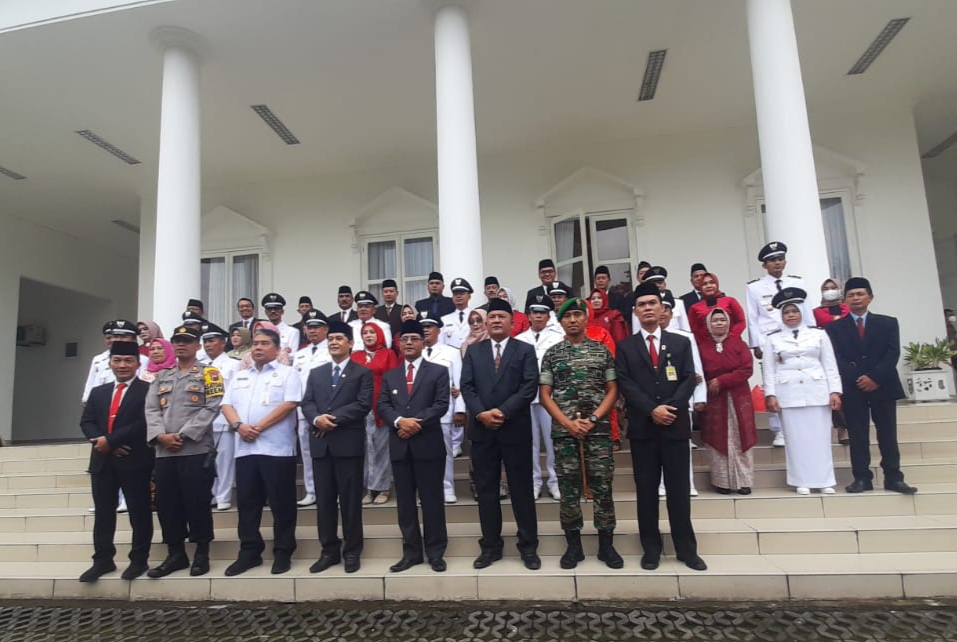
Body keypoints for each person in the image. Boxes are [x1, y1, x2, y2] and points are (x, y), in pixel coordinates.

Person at [615, 282, 706, 572]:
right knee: (646, 492)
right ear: (635, 311)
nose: (647, 309)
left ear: (663, 308)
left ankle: (687, 550)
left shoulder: (681, 342)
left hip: (674, 426)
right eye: (641, 305)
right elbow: (625, 382)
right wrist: (651, 409)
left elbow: (689, 378)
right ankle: (651, 549)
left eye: (652, 303)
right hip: (643, 428)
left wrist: (671, 408)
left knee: (679, 491)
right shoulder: (625, 347)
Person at [539, 298, 622, 570]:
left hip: (598, 432)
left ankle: (606, 545)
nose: (572, 320)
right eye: (567, 316)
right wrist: (567, 423)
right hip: (565, 434)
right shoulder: (552, 354)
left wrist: (594, 419)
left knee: (603, 486)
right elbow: (545, 395)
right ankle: (573, 546)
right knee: (568, 488)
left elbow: (612, 389)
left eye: (577, 314)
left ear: (586, 319)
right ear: (560, 321)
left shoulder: (601, 351)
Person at [460, 298, 541, 570]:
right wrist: (481, 413)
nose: (496, 320)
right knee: (486, 490)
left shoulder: (525, 350)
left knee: (521, 490)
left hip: (515, 429)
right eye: (492, 316)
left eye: (501, 316)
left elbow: (529, 386)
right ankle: (491, 547)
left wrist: (503, 412)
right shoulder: (474, 352)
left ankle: (528, 547)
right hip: (483, 431)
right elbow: (467, 387)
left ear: (512, 322)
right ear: (486, 322)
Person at [220, 328, 302, 576]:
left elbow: (289, 404)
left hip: (277, 450)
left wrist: (258, 427)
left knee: (282, 504)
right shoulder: (240, 376)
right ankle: (249, 552)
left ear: (277, 349)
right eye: (255, 343)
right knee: (247, 504)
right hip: (245, 449)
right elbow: (226, 404)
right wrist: (239, 426)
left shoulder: (288, 373)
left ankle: (283, 551)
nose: (257, 347)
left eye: (264, 343)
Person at [144, 325, 223, 578]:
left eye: (187, 341)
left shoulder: (210, 373)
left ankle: (201, 553)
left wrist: (184, 434)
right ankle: (175, 553)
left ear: (197, 346)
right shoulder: (162, 376)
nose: (181, 345)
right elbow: (151, 409)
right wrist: (160, 436)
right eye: (177, 340)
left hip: (195, 449)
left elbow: (212, 407)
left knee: (197, 502)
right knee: (167, 504)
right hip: (165, 452)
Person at [826, 277, 917, 495]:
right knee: (857, 435)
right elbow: (835, 357)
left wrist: (874, 377)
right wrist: (858, 377)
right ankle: (861, 478)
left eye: (860, 294)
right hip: (853, 387)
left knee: (887, 434)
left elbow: (892, 353)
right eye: (851, 295)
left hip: (882, 386)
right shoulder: (834, 328)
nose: (856, 298)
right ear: (844, 300)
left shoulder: (888, 323)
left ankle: (894, 477)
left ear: (870, 297)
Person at [377, 319, 451, 573]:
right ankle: (411, 552)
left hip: (428, 445)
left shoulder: (438, 371)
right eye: (405, 339)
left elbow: (441, 404)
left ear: (423, 342)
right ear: (399, 344)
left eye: (414, 339)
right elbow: (383, 405)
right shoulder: (391, 375)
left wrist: (414, 423)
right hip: (400, 446)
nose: (409, 343)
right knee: (405, 503)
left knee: (432, 501)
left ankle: (436, 552)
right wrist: (400, 422)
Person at [78, 341, 154, 582]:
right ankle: (102, 560)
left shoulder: (148, 390)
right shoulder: (99, 392)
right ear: (110, 363)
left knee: (139, 512)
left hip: (135, 459)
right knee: (103, 513)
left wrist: (111, 441)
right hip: (103, 461)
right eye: (117, 360)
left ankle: (139, 559)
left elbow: (144, 421)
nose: (122, 365)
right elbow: (87, 422)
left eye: (128, 361)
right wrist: (104, 443)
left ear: (138, 364)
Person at [301, 321, 374, 573]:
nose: (334, 342)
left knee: (350, 501)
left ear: (351, 343)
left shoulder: (361, 372)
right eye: (331, 338)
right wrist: (315, 419)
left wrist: (331, 419)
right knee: (324, 502)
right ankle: (329, 550)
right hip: (321, 445)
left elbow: (363, 404)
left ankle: (352, 551)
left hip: (347, 445)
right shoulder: (316, 372)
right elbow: (307, 402)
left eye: (339, 338)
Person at [762, 288, 842, 495]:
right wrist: (770, 394)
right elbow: (769, 370)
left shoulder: (818, 334)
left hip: (817, 390)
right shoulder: (773, 339)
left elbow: (830, 364)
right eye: (786, 312)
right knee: (796, 440)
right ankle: (801, 480)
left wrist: (835, 391)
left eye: (794, 311)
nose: (791, 315)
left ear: (802, 312)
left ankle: (824, 480)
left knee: (820, 439)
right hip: (788, 393)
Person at [745, 241, 814, 447]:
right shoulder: (755, 287)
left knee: (800, 379)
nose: (777, 263)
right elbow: (752, 317)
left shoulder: (797, 282)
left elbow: (807, 312)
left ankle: (802, 424)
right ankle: (779, 430)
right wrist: (755, 344)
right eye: (772, 260)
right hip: (770, 342)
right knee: (773, 385)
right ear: (764, 265)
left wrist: (812, 335)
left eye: (780, 259)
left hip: (797, 339)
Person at [699, 308, 757, 495]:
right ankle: (722, 482)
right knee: (717, 439)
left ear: (729, 323)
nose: (718, 323)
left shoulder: (739, 344)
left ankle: (744, 482)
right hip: (714, 399)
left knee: (741, 438)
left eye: (722, 320)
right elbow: (698, 371)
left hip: (738, 397)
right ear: (708, 324)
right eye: (714, 320)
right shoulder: (702, 347)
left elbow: (747, 369)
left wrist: (722, 381)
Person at [515, 294, 564, 500]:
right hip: (525, 397)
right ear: (528, 315)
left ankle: (555, 481)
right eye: (535, 312)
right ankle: (533, 481)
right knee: (530, 443)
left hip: (549, 397)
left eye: (542, 312)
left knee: (552, 441)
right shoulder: (519, 340)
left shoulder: (558, 337)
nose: (538, 316)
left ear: (548, 316)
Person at [657, 293, 704, 498]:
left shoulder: (685, 337)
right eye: (659, 308)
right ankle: (661, 485)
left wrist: (700, 397)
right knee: (656, 449)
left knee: (682, 447)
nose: (662, 313)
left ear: (671, 313)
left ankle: (688, 484)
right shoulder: (644, 339)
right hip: (656, 404)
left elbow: (696, 371)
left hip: (681, 399)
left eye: (666, 309)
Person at [419, 311, 466, 503]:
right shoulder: (414, 353)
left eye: (430, 326)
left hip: (444, 410)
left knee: (444, 453)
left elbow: (459, 382)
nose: (426, 330)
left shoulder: (451, 352)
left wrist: (460, 409)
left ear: (438, 330)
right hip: (419, 411)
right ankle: (426, 490)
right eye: (423, 327)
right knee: (422, 453)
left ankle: (447, 488)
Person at [352, 322, 398, 505]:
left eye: (372, 332)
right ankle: (369, 489)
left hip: (380, 408)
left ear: (379, 334)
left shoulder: (388, 354)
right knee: (365, 450)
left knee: (381, 449)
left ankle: (383, 488)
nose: (368, 335)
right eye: (365, 333)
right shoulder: (355, 356)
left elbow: (394, 380)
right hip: (360, 409)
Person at [291, 309, 331, 508]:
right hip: (303, 409)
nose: (312, 331)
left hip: (325, 409)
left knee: (328, 451)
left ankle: (330, 490)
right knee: (306, 452)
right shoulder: (300, 354)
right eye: (309, 327)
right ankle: (312, 491)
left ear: (326, 329)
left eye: (317, 327)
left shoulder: (332, 350)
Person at [201, 323, 239, 511]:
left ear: (223, 343)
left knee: (224, 460)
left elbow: (236, 394)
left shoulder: (233, 364)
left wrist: (235, 419)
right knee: (207, 462)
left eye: (212, 340)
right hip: (202, 421)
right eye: (206, 341)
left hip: (224, 419)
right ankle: (212, 494)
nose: (208, 345)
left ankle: (223, 495)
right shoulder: (200, 366)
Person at [813, 279, 851, 446]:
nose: (830, 290)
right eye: (826, 288)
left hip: (848, 353)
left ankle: (852, 425)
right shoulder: (816, 312)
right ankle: (841, 428)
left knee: (849, 392)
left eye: (833, 287)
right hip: (827, 355)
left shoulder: (848, 308)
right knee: (834, 392)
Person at [687, 273, 748, 345]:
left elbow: (741, 321)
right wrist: (707, 343)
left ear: (717, 284)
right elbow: (694, 329)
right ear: (700, 287)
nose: (709, 286)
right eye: (704, 284)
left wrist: (730, 338)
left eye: (712, 282)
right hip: (707, 346)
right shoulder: (694, 308)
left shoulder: (730, 301)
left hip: (733, 343)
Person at [642, 266, 692, 333]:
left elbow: (685, 328)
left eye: (660, 283)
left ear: (665, 284)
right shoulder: (642, 305)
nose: (657, 285)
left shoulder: (678, 303)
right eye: (654, 283)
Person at [441, 278, 475, 349]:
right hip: (451, 355)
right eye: (455, 294)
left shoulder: (476, 316)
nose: (458, 296)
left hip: (472, 354)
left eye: (462, 294)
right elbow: (441, 343)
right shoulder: (444, 320)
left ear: (469, 297)